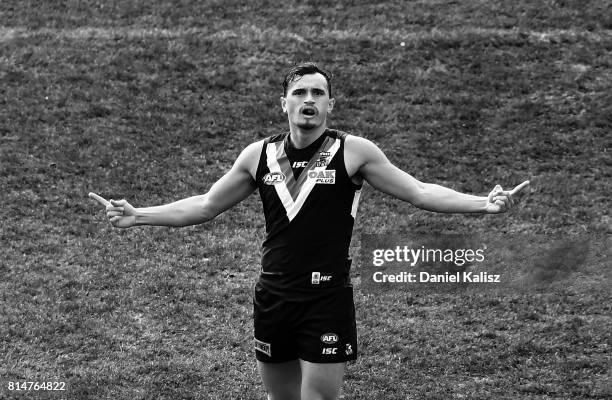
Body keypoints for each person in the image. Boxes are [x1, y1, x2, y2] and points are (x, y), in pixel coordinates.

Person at [90, 62, 529, 400]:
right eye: (299, 92)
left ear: (330, 105)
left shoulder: (352, 151)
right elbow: (207, 205)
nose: (309, 100)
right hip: (274, 296)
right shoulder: (258, 155)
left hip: (326, 299)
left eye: (318, 93)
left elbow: (418, 191)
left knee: (317, 397)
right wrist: (140, 214)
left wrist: (482, 205)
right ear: (283, 103)